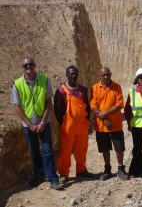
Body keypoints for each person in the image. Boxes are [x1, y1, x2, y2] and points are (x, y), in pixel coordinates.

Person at [11, 57, 62, 190]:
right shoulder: (17, 84)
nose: (29, 66)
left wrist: (43, 122)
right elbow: (17, 107)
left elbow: (48, 102)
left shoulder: (44, 80)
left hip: (44, 122)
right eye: (26, 65)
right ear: (23, 68)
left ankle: (52, 178)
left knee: (47, 150)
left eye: (31, 64)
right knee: (34, 151)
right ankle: (39, 175)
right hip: (28, 125)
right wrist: (30, 124)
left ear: (35, 65)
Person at [54, 65, 93, 183]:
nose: (73, 75)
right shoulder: (61, 91)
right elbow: (57, 109)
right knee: (65, 150)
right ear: (66, 75)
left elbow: (87, 106)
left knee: (81, 149)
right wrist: (63, 124)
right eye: (71, 73)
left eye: (75, 73)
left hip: (81, 125)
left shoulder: (83, 89)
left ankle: (81, 170)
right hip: (68, 126)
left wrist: (86, 121)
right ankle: (64, 173)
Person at [90, 67, 129, 181]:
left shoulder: (117, 87)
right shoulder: (95, 88)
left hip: (115, 125)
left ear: (111, 74)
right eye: (103, 75)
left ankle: (121, 169)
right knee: (105, 148)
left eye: (107, 74)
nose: (106, 77)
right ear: (100, 76)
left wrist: (105, 114)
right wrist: (104, 119)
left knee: (119, 148)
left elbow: (120, 104)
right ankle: (107, 170)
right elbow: (93, 105)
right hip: (101, 126)